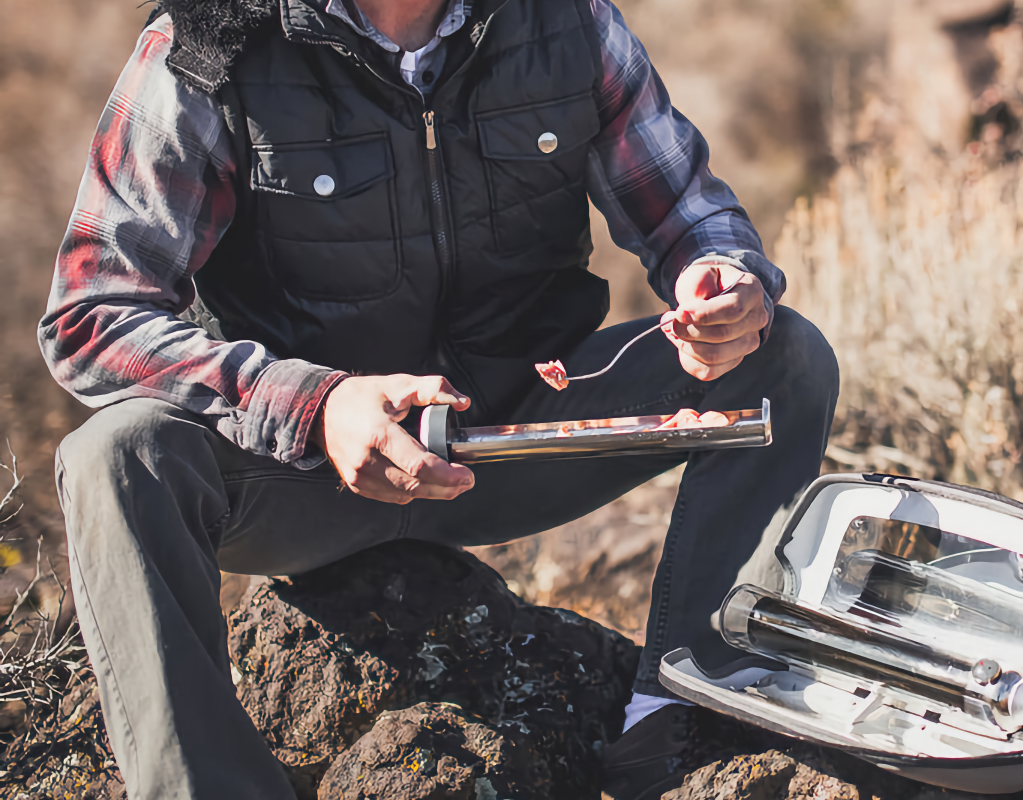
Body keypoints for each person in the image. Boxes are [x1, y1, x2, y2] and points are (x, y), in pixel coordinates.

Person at [39, 0, 838, 797]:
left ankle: (679, 720)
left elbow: (691, 215)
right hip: (305, 471)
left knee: (784, 355)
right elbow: (91, 315)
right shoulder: (206, 41)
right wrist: (316, 405)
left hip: (521, 437)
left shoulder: (570, 22)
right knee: (115, 456)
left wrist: (725, 280)